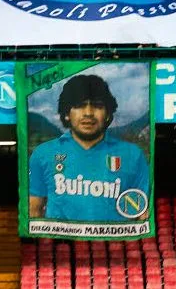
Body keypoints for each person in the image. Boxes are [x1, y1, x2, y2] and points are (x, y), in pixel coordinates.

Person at [28, 74, 150, 222]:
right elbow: (34, 210)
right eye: (79, 106)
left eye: (97, 106)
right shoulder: (43, 153)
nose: (88, 113)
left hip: (115, 244)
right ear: (67, 114)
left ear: (107, 114)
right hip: (60, 243)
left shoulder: (133, 154)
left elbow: (142, 213)